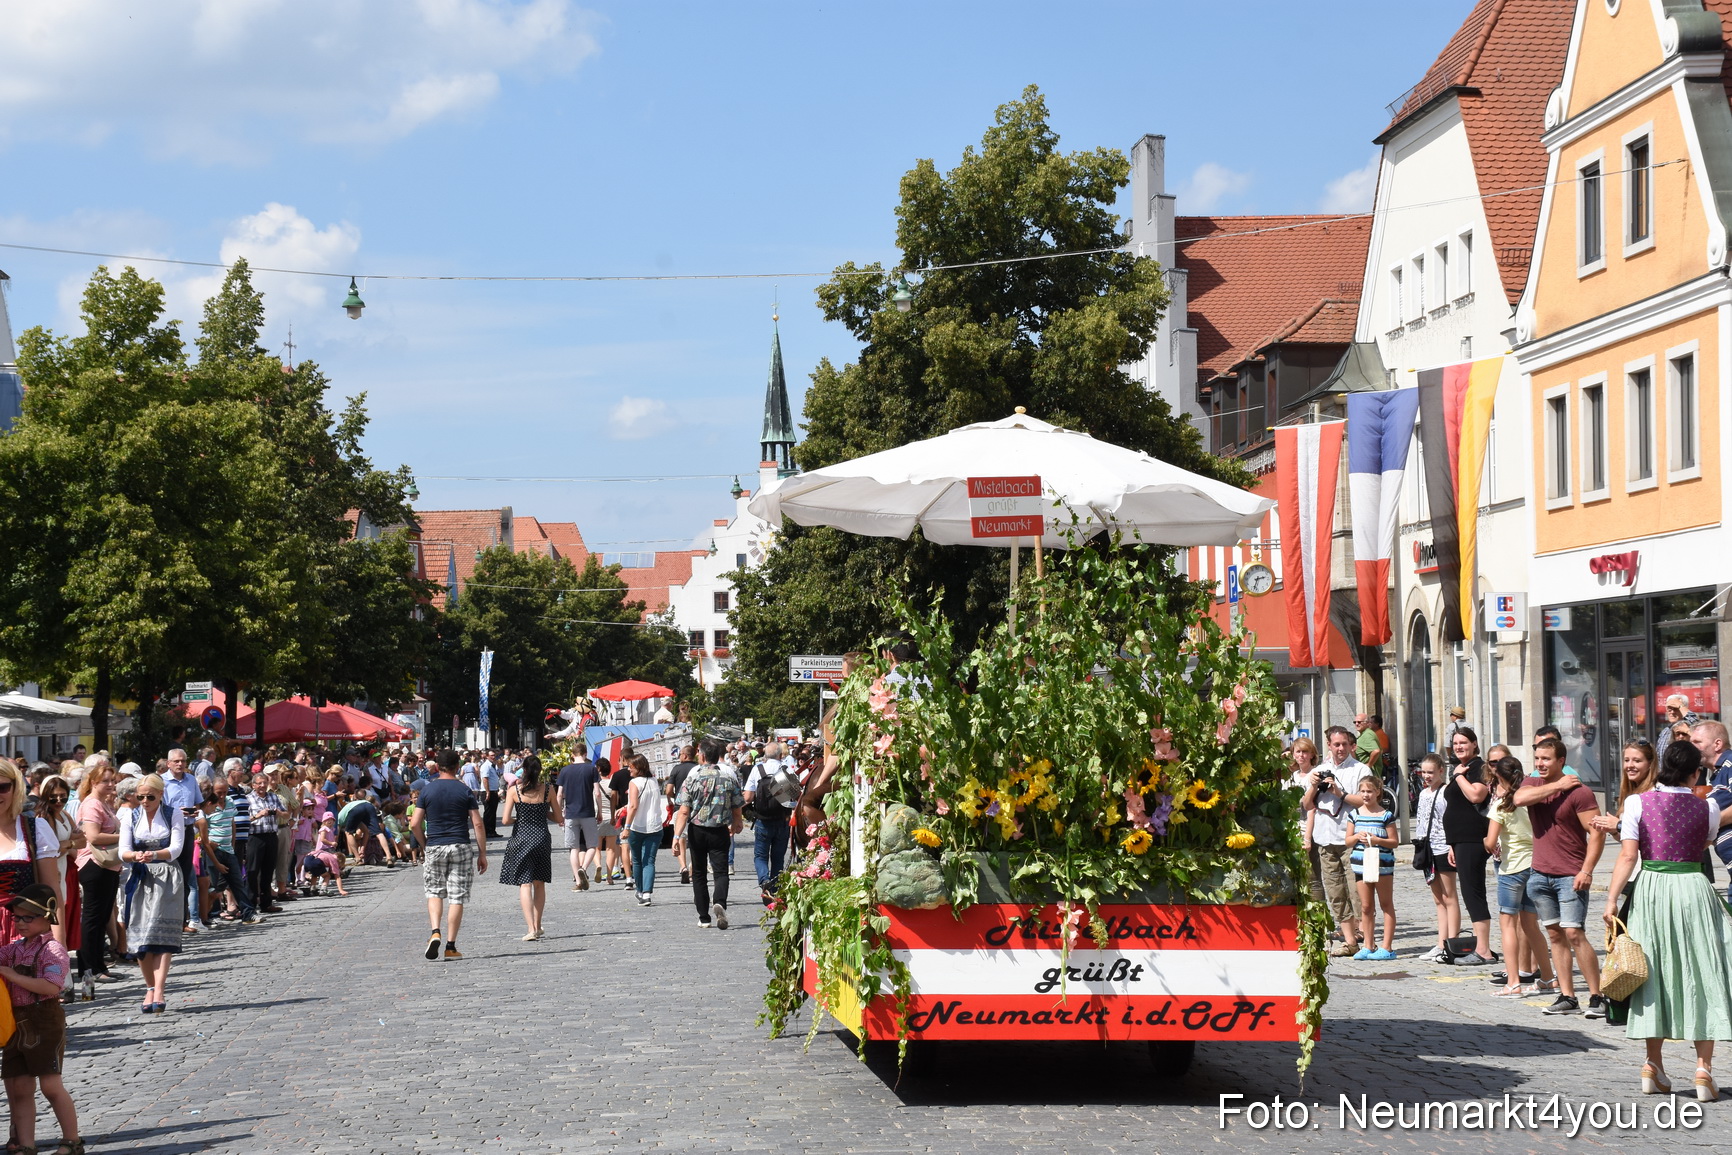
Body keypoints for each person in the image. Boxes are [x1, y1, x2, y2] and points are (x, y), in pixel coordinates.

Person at [1602, 739, 1732, 1101]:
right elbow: (1705, 843)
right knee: (1705, 970)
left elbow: (1628, 857)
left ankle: (1652, 1064)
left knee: (1651, 972)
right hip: (1694, 888)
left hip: (1652, 890)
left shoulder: (1636, 803)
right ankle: (1704, 1069)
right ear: (1695, 773)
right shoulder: (1706, 806)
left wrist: (1612, 900)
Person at [1515, 736, 1606, 1017]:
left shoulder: (1580, 792)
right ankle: (1567, 996)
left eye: (1547, 759)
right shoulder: (1532, 784)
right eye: (1538, 759)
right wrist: (1556, 785)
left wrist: (1586, 870)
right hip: (1540, 874)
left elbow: (1597, 833)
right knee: (1554, 934)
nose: (1540, 764)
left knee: (1574, 933)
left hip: (1570, 875)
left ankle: (1597, 996)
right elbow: (1518, 799)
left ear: (1561, 761)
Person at [0, 885, 82, 1155]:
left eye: (28, 917)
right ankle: (26, 1144)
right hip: (15, 1023)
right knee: (20, 1087)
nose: (21, 923)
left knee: (50, 1085)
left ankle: (72, 1140)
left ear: (48, 918)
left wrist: (12, 976)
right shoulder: (12, 950)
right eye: (17, 918)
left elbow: (51, 986)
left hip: (44, 1020)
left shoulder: (53, 950)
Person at [1484, 755, 1556, 997]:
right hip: (1534, 865)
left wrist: (1485, 841)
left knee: (1507, 925)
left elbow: (1491, 842)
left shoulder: (1501, 805)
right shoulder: (1531, 801)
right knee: (1531, 925)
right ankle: (1547, 976)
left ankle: (1513, 981)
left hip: (1512, 869)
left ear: (1499, 778)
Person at [411, 750, 487, 961]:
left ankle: (435, 931)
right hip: (460, 845)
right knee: (457, 896)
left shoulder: (427, 790)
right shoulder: (464, 790)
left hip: (435, 844)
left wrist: (425, 845)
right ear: (457, 766)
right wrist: (482, 853)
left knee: (434, 892)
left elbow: (415, 823)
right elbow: (478, 823)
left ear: (437, 767)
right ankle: (451, 946)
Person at [119, 773, 183, 1014]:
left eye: (150, 797)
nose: (145, 801)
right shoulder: (129, 816)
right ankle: (148, 987)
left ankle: (159, 989)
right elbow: (122, 850)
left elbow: (176, 848)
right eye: (141, 796)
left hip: (167, 876)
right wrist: (135, 855)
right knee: (140, 935)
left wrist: (155, 855)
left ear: (160, 795)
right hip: (140, 876)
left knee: (162, 933)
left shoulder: (172, 813)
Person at [1301, 728, 1368, 956]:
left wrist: (1339, 793)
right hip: (1325, 838)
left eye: (1344, 744)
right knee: (1335, 892)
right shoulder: (1319, 771)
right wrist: (1313, 785)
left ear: (1350, 745)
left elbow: (1365, 801)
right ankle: (1349, 940)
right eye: (1336, 744)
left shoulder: (1360, 769)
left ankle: (1366, 939)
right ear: (1328, 745)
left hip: (1351, 838)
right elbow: (1307, 805)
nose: (1340, 749)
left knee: (1357, 891)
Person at [671, 737, 745, 930]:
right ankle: (719, 901)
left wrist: (677, 836)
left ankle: (704, 916)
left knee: (699, 874)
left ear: (702, 756)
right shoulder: (728, 778)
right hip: (720, 830)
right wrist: (737, 823)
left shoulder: (693, 778)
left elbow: (684, 810)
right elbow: (738, 806)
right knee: (721, 872)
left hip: (697, 831)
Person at [1443, 727, 1496, 966]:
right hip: (1461, 841)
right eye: (1455, 743)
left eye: (1463, 742)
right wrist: (1452, 844)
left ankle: (1483, 950)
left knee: (1473, 893)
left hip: (1474, 839)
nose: (1459, 746)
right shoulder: (1462, 768)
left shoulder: (1478, 768)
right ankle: (1482, 947)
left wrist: (1458, 777)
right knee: (1468, 892)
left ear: (1475, 744)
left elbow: (1476, 796)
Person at [72, 767, 122, 993]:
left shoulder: (103, 803)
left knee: (101, 918)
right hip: (95, 865)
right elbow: (92, 836)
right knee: (92, 919)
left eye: (113, 780)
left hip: (108, 865)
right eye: (106, 781)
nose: (111, 784)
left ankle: (98, 966)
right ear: (93, 782)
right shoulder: (91, 804)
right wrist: (125, 836)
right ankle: (89, 970)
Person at [0, 761, 59, 946]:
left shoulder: (34, 829)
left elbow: (52, 891)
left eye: (3, 787)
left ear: (15, 788)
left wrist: (59, 944)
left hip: (23, 933)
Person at [497, 755, 552, 941]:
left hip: (521, 838)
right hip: (542, 839)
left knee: (525, 883)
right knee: (540, 882)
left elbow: (505, 820)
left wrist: (521, 819)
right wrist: (543, 812)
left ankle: (531, 929)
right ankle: (538, 924)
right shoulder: (548, 790)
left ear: (524, 770)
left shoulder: (515, 791)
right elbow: (559, 818)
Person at [1412, 754, 1459, 963]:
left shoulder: (1446, 792)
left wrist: (1452, 845)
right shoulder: (1423, 794)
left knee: (1450, 896)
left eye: (1431, 772)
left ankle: (1453, 942)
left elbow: (1450, 820)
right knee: (1438, 898)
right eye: (1424, 772)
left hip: (1443, 846)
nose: (1427, 776)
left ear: (1441, 771)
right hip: (1427, 848)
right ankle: (1441, 943)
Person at [1347, 773, 1397, 960]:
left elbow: (1394, 841)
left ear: (1378, 792)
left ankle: (1387, 946)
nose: (1366, 795)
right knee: (1366, 906)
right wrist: (1357, 837)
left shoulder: (1386, 815)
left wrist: (1377, 840)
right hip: (1361, 865)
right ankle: (1368, 945)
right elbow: (1348, 840)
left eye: (1369, 791)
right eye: (1362, 791)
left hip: (1382, 865)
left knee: (1386, 904)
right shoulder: (1355, 814)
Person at [744, 741, 795, 903]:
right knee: (778, 857)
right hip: (782, 819)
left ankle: (764, 880)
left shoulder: (757, 769)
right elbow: (794, 797)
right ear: (781, 755)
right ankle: (774, 890)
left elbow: (748, 797)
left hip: (762, 819)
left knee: (760, 855)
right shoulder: (785, 770)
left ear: (764, 755)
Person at [160, 748, 202, 925]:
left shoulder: (191, 780)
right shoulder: (161, 781)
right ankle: (167, 917)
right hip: (169, 832)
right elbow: (159, 808)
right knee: (168, 875)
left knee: (185, 875)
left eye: (183, 761)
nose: (180, 764)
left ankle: (182, 920)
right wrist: (177, 812)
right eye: (176, 761)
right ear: (168, 763)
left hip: (187, 829)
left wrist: (194, 812)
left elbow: (198, 802)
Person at [555, 744, 602, 891]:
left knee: (573, 848)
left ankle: (578, 881)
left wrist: (558, 814)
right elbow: (598, 793)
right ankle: (584, 868)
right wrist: (599, 811)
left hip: (570, 813)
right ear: (585, 753)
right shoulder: (591, 769)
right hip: (587, 812)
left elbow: (559, 794)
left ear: (572, 754)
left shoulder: (565, 771)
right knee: (592, 845)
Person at [622, 754, 666, 906]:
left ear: (638, 768)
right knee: (649, 861)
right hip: (655, 826)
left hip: (638, 826)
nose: (628, 769)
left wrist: (626, 827)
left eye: (631, 767)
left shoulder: (634, 782)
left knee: (637, 860)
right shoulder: (654, 781)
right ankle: (646, 893)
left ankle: (640, 891)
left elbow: (634, 806)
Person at [245, 770, 285, 916]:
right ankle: (250, 903)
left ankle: (266, 903)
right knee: (253, 870)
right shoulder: (247, 799)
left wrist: (278, 812)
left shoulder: (273, 797)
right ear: (253, 785)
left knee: (268, 870)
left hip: (271, 836)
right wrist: (258, 815)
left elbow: (286, 813)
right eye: (259, 783)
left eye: (264, 783)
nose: (262, 785)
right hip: (255, 837)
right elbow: (244, 820)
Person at [665, 745, 699, 884]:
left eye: (680, 754)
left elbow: (668, 790)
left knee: (680, 837)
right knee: (696, 839)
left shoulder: (676, 769)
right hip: (697, 807)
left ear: (684, 755)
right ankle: (693, 865)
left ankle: (683, 866)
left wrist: (674, 797)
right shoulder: (698, 768)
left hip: (681, 806)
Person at [592, 757, 623, 886]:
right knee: (611, 849)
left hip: (597, 818)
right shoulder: (612, 784)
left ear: (598, 769)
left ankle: (598, 865)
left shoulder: (594, 785)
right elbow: (616, 802)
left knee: (596, 847)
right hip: (611, 818)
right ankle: (609, 876)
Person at [1655, 695, 1701, 764]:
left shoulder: (1690, 726)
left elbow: (1695, 722)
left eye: (1675, 708)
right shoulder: (1665, 731)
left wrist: (1680, 705)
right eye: (1669, 709)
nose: (1672, 712)